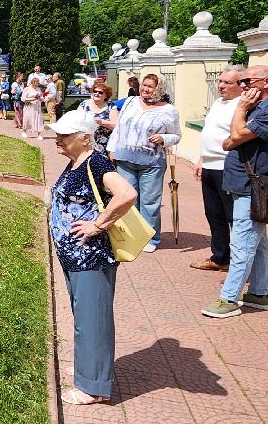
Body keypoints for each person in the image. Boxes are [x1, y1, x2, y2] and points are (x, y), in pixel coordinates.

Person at [48, 107, 139, 406]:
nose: (57, 140)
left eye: (64, 135)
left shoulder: (97, 163)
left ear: (85, 138)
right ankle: (91, 371)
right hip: (74, 256)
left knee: (93, 320)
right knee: (85, 318)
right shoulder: (77, 162)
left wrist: (98, 224)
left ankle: (94, 387)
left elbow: (126, 194)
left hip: (91, 257)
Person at [204, 66, 268, 319]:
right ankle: (257, 293)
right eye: (241, 81)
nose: (242, 86)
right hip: (242, 183)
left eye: (247, 81)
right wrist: (237, 131)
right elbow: (229, 141)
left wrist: (241, 110)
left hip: (254, 186)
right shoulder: (257, 108)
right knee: (259, 242)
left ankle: (229, 299)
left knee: (242, 242)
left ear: (266, 82)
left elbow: (234, 135)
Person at [105, 73, 181, 252]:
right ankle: (131, 235)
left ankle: (150, 238)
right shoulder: (131, 102)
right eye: (144, 85)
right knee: (127, 200)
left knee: (149, 202)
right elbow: (120, 127)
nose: (145, 89)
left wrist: (163, 137)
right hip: (125, 159)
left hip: (151, 162)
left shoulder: (169, 110)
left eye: (150, 87)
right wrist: (112, 149)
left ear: (159, 89)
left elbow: (176, 136)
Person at [192, 68, 243, 272]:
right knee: (214, 214)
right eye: (220, 81)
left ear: (240, 85)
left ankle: (239, 262)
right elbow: (210, 132)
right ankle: (220, 257)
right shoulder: (217, 102)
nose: (220, 85)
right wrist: (202, 159)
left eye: (227, 83)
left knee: (233, 216)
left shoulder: (242, 106)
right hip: (210, 166)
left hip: (228, 167)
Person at [81, 81, 115, 156]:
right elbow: (76, 119)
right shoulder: (84, 104)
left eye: (100, 92)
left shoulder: (111, 107)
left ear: (106, 95)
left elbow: (116, 126)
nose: (97, 94)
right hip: (85, 144)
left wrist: (101, 122)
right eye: (95, 91)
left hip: (104, 145)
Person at [21, 75, 44, 139]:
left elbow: (41, 97)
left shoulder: (38, 89)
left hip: (37, 107)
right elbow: (23, 99)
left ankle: (39, 134)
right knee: (27, 119)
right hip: (29, 107)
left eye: (38, 83)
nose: (38, 85)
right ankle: (24, 131)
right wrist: (32, 99)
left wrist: (40, 98)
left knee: (38, 120)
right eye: (36, 83)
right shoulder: (27, 89)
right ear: (33, 83)